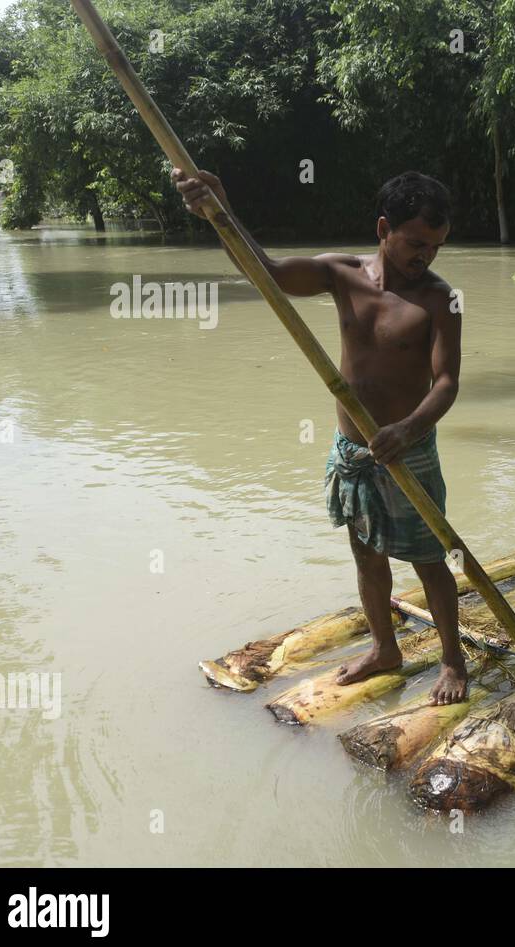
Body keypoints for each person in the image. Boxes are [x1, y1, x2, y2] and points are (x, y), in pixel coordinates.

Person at [172, 167, 468, 705]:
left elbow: (446, 383)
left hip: (409, 451)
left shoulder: (440, 300)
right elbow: (266, 273)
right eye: (415, 243)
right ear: (384, 228)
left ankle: (452, 660)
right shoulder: (342, 273)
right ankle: (385, 648)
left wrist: (407, 428)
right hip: (352, 451)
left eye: (435, 246)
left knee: (430, 560)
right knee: (365, 554)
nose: (425, 256)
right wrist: (220, 212)